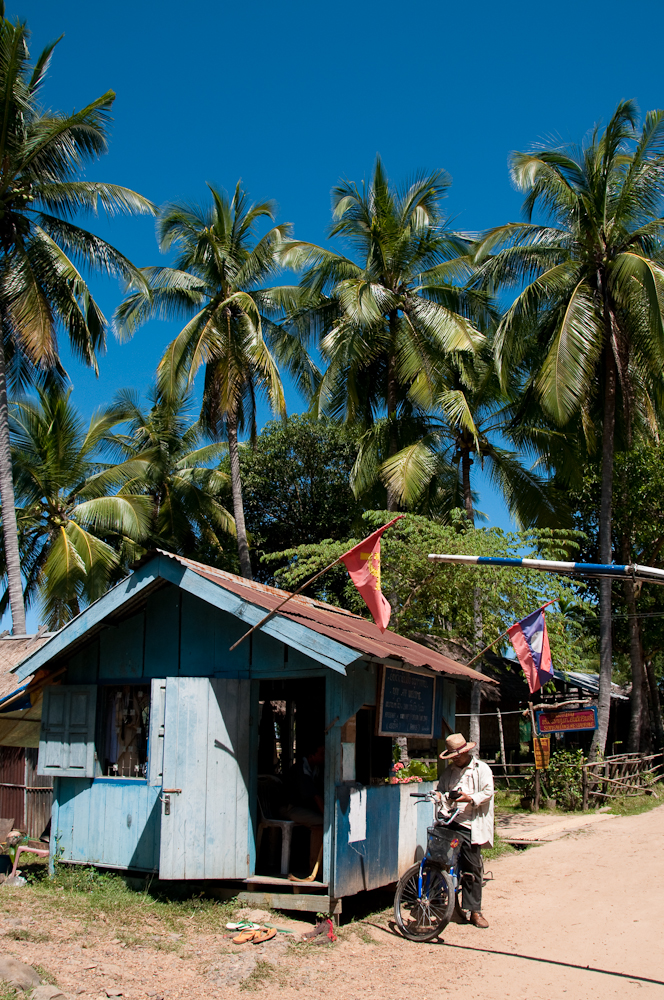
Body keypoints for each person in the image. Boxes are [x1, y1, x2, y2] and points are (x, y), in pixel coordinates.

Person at [433, 733, 494, 929]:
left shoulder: (481, 769)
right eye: (453, 756)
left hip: (470, 825)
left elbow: (487, 792)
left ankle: (475, 911)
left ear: (466, 751)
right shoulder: (449, 773)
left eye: (458, 755)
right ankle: (448, 906)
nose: (456, 758)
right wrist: (440, 796)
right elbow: (441, 790)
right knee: (441, 862)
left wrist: (468, 798)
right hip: (450, 822)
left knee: (472, 868)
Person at [281, 744, 325, 871]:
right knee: (323, 822)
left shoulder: (315, 769)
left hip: (300, 808)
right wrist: (326, 814)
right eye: (321, 754)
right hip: (289, 808)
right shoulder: (301, 769)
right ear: (311, 756)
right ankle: (313, 866)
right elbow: (315, 796)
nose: (324, 757)